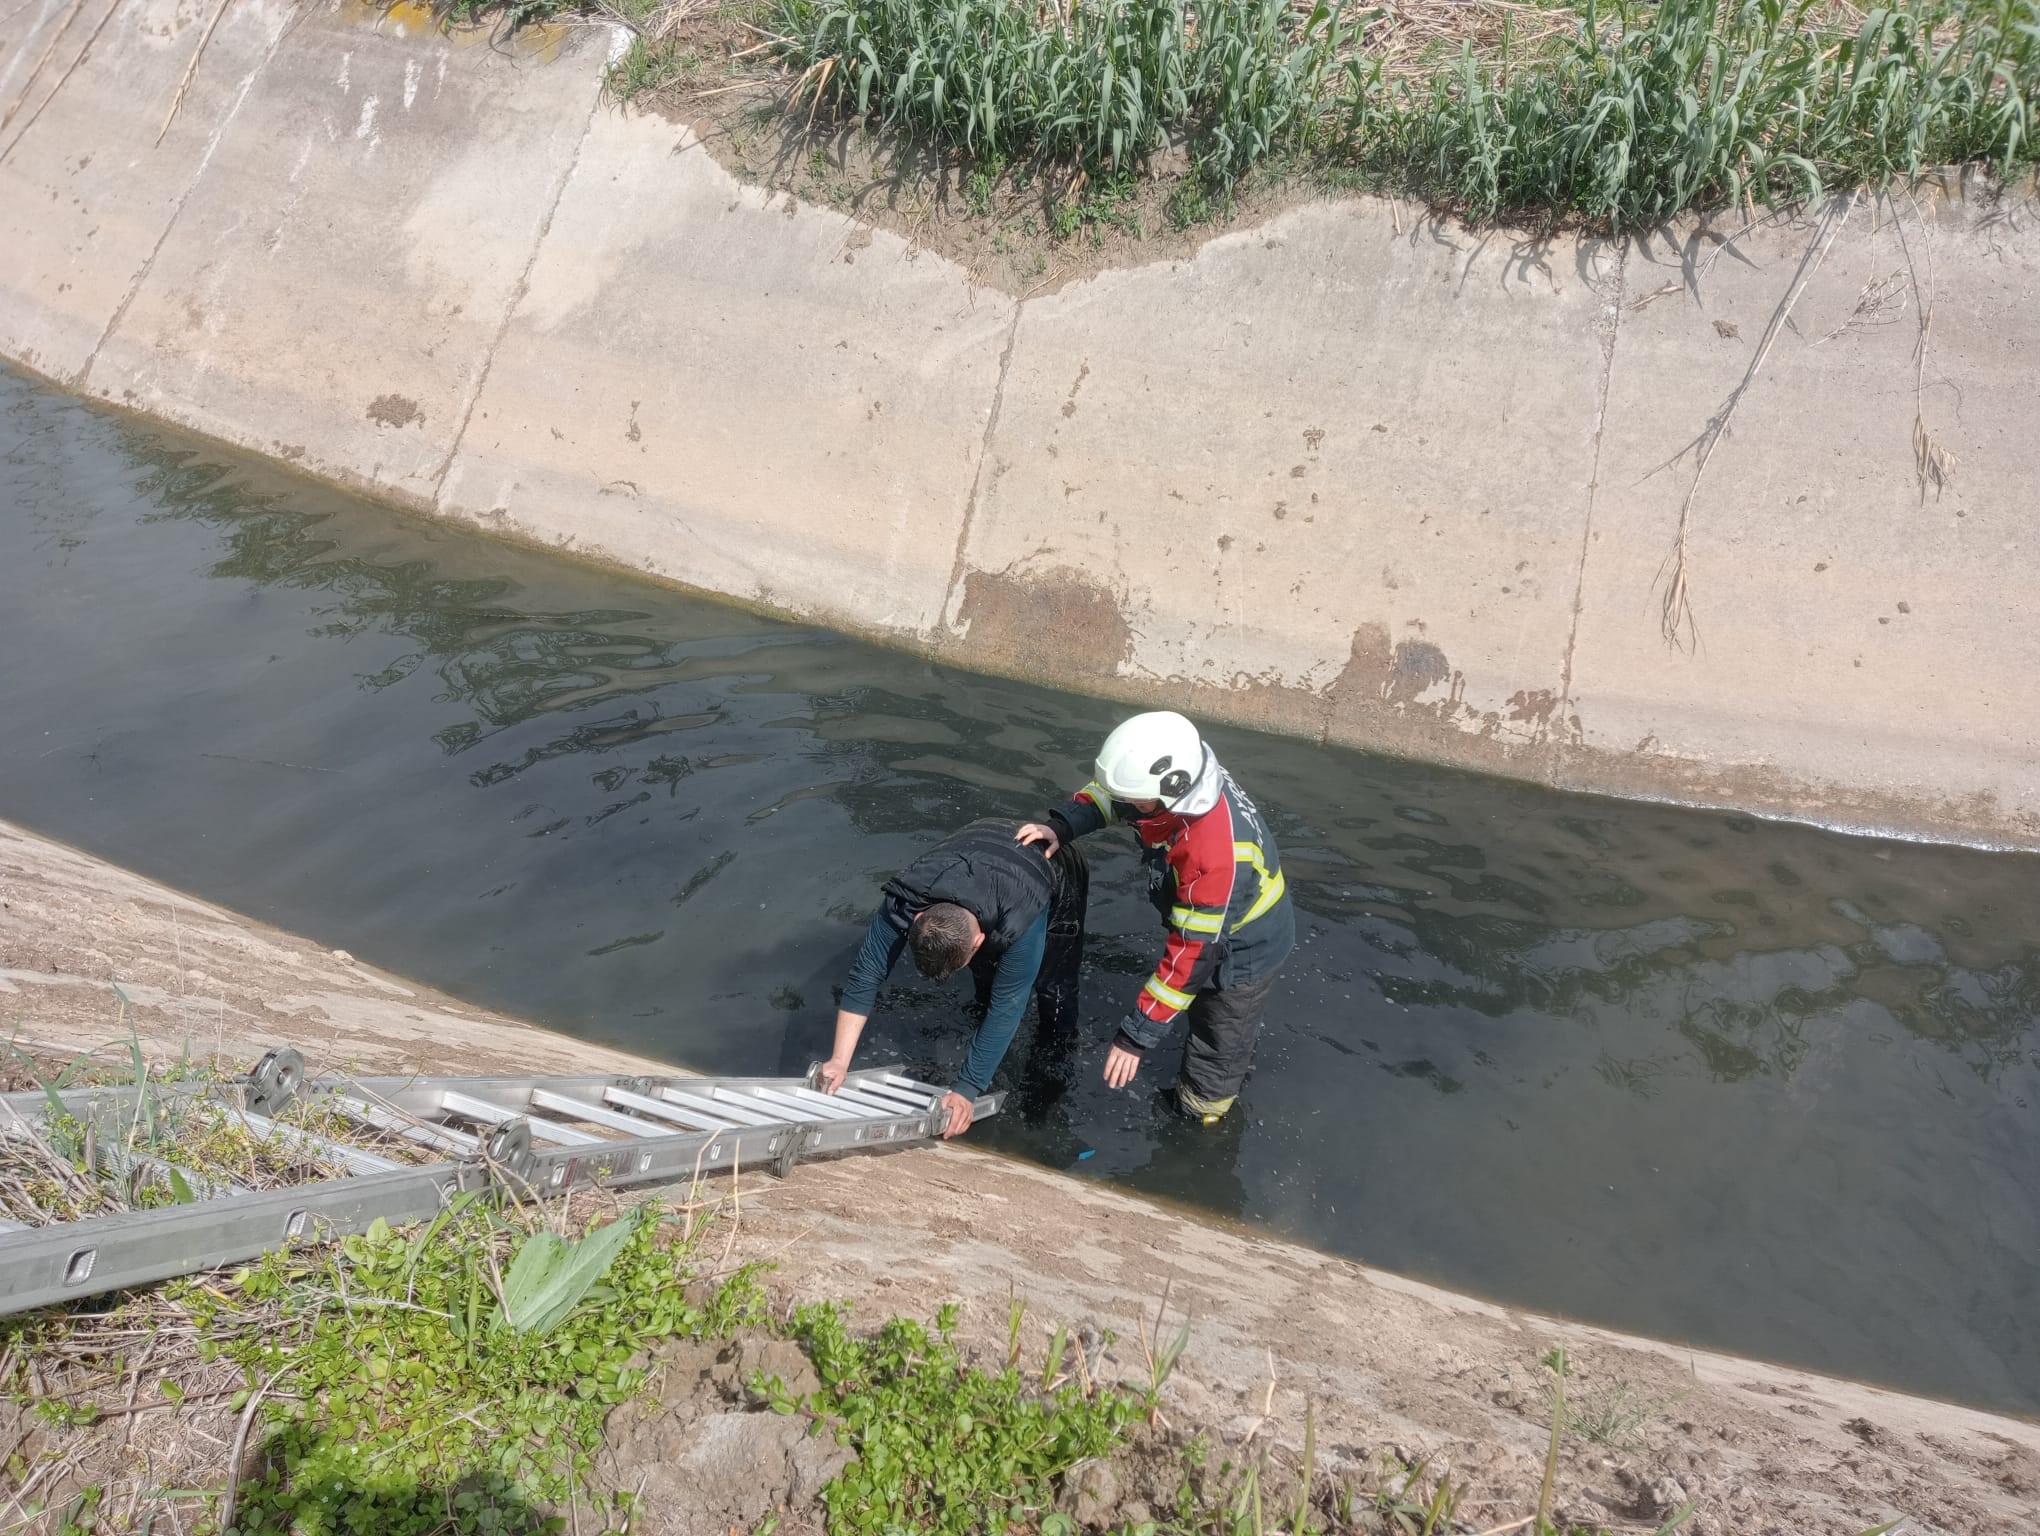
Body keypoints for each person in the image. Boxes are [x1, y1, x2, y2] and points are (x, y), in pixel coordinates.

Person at [1017, 711, 1294, 1124]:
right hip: (1218, 919)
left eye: (1137, 802)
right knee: (1202, 1014)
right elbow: (1114, 798)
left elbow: (1192, 956)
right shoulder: (1180, 781)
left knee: (1219, 1039)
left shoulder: (1213, 854)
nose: (1128, 806)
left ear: (1171, 792)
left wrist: (1135, 1036)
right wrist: (1063, 826)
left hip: (1244, 949)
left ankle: (1201, 1118)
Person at [817, 817, 1087, 1137]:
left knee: (1053, 987)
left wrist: (967, 1089)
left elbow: (1008, 1006)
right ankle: (982, 1013)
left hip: (1053, 865)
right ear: (917, 918)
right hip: (976, 849)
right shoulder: (905, 899)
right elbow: (867, 973)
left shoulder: (1021, 924)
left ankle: (1055, 1062)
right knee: (985, 981)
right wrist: (838, 1060)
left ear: (978, 941)